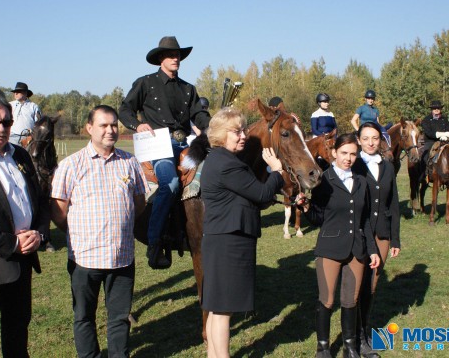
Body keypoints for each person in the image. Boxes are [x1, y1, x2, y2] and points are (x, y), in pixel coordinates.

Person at [50, 105, 148, 357]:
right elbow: (59, 211)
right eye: (103, 125)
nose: (110, 130)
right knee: (84, 316)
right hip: (85, 258)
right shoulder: (71, 165)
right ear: (89, 128)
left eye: (114, 125)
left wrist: (119, 223)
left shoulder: (130, 162)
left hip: (122, 257)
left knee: (119, 318)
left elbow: (138, 203)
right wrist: (80, 235)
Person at [119, 36, 211, 269]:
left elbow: (198, 115)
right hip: (158, 145)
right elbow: (125, 109)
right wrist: (137, 125)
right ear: (161, 59)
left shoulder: (188, 88)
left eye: (178, 55)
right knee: (169, 185)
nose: (176, 58)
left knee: (214, 174)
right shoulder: (145, 83)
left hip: (185, 145)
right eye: (171, 55)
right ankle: (155, 243)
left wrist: (213, 125)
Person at [200, 107, 285, 357]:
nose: (243, 135)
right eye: (236, 131)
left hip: (221, 239)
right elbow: (260, 193)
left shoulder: (219, 159)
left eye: (244, 130)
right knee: (223, 309)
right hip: (230, 241)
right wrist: (277, 171)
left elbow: (251, 197)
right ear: (219, 134)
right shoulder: (227, 163)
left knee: (217, 309)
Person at [0, 95, 47, 357]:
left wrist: (39, 233)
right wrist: (13, 243)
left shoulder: (21, 155)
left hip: (21, 264)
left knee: (17, 335)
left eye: (7, 122)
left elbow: (40, 201)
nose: (1, 128)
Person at [296, 133, 380, 358]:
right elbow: (317, 217)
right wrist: (305, 208)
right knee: (327, 299)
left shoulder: (362, 182)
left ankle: (350, 347)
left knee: (350, 300)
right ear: (334, 153)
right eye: (344, 153)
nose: (349, 158)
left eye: (353, 154)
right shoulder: (324, 180)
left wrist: (372, 250)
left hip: (357, 249)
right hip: (330, 248)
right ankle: (323, 348)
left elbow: (365, 221)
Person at [353, 122, 401, 358]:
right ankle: (355, 335)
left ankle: (363, 332)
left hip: (381, 232)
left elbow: (393, 204)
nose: (371, 142)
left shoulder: (388, 167)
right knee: (356, 285)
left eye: (375, 138)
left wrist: (395, 239)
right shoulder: (353, 164)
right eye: (366, 138)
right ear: (359, 140)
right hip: (359, 233)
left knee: (371, 285)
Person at [421, 100, 449, 178]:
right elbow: (428, 132)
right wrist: (438, 135)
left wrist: (446, 134)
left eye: (438, 108)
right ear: (431, 110)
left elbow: (448, 128)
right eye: (434, 108)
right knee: (425, 155)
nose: (436, 110)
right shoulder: (426, 120)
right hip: (431, 141)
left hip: (445, 141)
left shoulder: (445, 119)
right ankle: (424, 173)